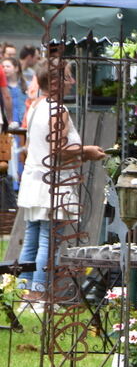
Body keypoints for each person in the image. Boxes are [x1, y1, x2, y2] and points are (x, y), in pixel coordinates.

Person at [17, 60, 107, 298]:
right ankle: (38, 295)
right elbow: (57, 148)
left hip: (35, 180)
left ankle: (23, 293)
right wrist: (86, 151)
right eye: (68, 77)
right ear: (56, 82)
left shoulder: (36, 106)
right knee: (50, 241)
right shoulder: (58, 110)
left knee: (33, 238)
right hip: (52, 184)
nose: (73, 82)